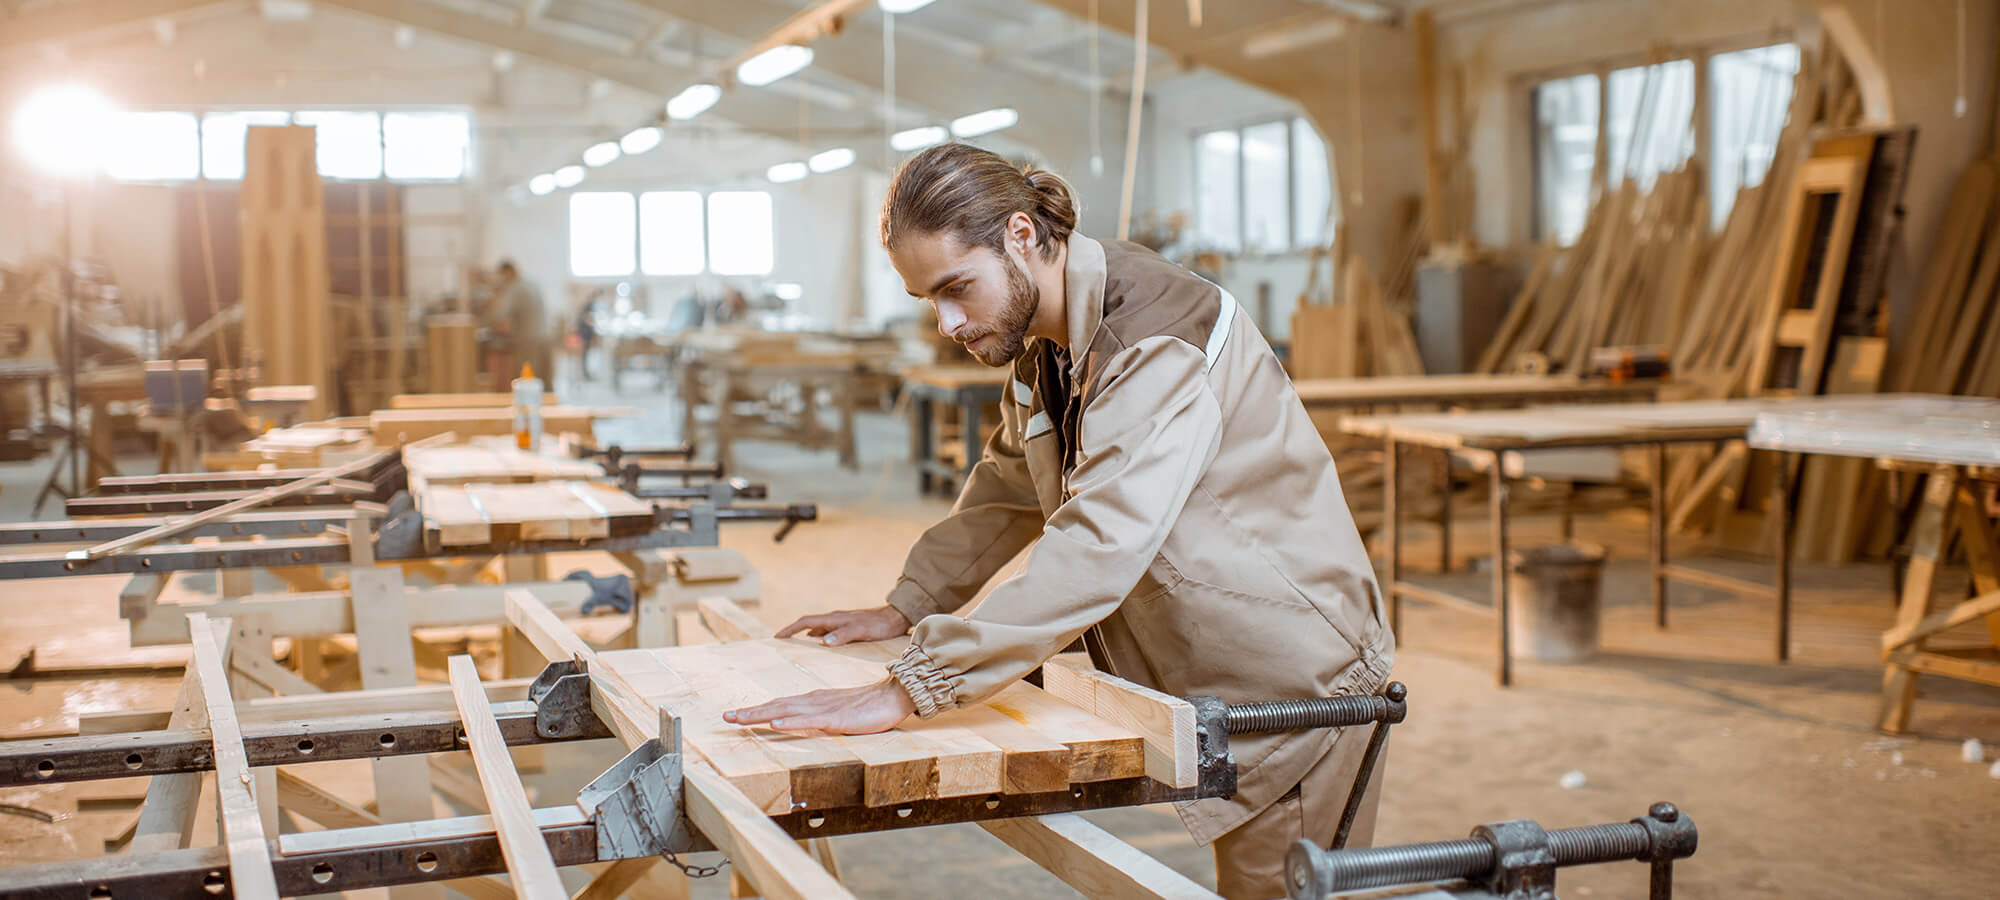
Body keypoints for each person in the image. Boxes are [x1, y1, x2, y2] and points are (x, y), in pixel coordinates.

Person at [723, 143, 1393, 900]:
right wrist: (906, 604)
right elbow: (1008, 483)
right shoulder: (1048, 340)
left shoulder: (1153, 340)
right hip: (1213, 654)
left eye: (954, 289)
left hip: (1297, 674)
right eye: (927, 301)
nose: (945, 322)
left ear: (1018, 236)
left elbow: (1098, 546)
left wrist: (915, 682)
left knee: (1273, 888)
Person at [491, 260, 552, 384]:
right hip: (545, 337)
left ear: (506, 273)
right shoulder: (532, 283)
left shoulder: (515, 288)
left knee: (526, 382)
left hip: (528, 341)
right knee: (545, 382)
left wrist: (482, 322)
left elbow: (498, 315)